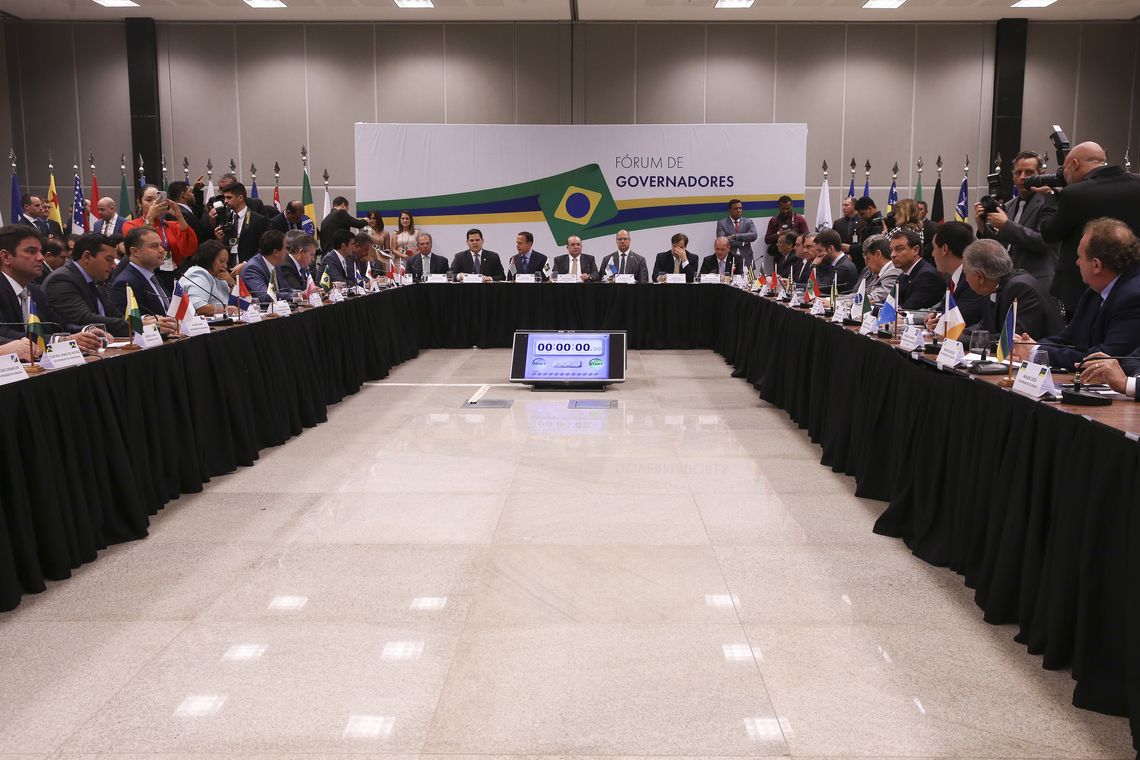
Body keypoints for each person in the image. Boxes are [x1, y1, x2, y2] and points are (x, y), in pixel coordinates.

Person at [1012, 218, 1140, 369]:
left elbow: (1106, 357)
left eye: (1080, 257)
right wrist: (1028, 345)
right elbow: (1069, 338)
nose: (1077, 263)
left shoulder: (1133, 298)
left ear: (1096, 265)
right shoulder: (1095, 291)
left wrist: (1035, 352)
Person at [1040, 141, 1140, 316]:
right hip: (1131, 285)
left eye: (1064, 169)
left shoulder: (1074, 194)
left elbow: (1049, 233)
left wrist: (1050, 199)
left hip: (1082, 290)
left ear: (1075, 164)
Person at [0, 225, 104, 352]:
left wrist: (87, 332)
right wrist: (59, 341)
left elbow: (58, 326)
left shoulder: (35, 291)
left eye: (40, 252)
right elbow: (3, 334)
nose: (41, 258)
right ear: (6, 257)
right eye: (31, 251)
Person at [974, 150, 1058, 293]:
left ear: (1041, 175)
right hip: (1009, 280)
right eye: (1018, 172)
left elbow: (1044, 242)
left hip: (1037, 281)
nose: (1022, 177)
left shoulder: (1050, 202)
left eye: (1029, 172)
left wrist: (1006, 225)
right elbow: (1002, 247)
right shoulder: (1010, 205)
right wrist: (982, 228)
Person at [959, 239, 1063, 339]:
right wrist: (957, 335)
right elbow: (985, 325)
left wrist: (963, 340)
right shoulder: (994, 285)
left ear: (980, 276)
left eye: (966, 273)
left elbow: (1013, 339)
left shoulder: (1021, 288)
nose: (966, 279)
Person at [43, 233, 133, 335]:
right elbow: (85, 319)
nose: (113, 266)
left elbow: (113, 313)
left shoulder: (94, 278)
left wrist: (139, 321)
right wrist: (136, 325)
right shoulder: (60, 280)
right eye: (108, 260)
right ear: (87, 256)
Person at [122, 184, 198, 281]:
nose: (154, 203)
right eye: (149, 200)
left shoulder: (170, 225)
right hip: (146, 275)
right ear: (140, 203)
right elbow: (140, 242)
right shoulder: (130, 225)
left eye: (158, 199)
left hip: (171, 274)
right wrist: (150, 217)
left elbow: (189, 248)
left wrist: (179, 215)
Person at [925, 221, 987, 327]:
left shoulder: (972, 280)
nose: (932, 254)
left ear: (944, 249)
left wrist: (940, 321)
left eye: (934, 248)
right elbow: (944, 310)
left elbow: (962, 318)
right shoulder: (954, 277)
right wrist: (936, 315)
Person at [110, 226, 177, 318]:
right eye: (154, 246)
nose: (162, 250)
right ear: (135, 252)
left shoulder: (154, 277)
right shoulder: (125, 283)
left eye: (161, 245)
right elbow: (127, 322)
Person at [179, 240, 240, 317]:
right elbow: (199, 308)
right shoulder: (198, 274)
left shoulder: (220, 276)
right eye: (221, 261)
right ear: (208, 258)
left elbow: (243, 305)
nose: (225, 266)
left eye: (226, 262)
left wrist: (232, 283)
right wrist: (226, 310)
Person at [211, 182, 267, 264]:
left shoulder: (258, 220)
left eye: (229, 198)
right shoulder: (224, 218)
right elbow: (222, 246)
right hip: (228, 267)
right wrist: (219, 240)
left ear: (240, 198)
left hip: (249, 268)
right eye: (225, 198)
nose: (225, 201)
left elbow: (263, 249)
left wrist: (245, 264)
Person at [889, 227, 943, 310]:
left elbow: (906, 310)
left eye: (899, 249)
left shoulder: (927, 276)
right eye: (891, 250)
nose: (893, 255)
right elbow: (890, 305)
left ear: (915, 250)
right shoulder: (903, 276)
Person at [762, 195, 808, 274]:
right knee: (778, 276)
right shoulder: (774, 220)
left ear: (792, 206)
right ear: (779, 208)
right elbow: (767, 239)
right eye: (783, 209)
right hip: (779, 254)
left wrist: (792, 235)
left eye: (788, 208)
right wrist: (778, 234)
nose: (785, 211)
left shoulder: (799, 219)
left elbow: (806, 236)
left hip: (796, 254)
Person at [241, 229, 288, 303]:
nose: (287, 252)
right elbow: (267, 296)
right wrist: (294, 295)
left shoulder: (275, 264)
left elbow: (286, 289)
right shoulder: (252, 268)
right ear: (275, 252)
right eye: (285, 248)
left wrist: (301, 293)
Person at [167, 181, 212, 252]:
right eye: (190, 192)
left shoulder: (184, 210)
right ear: (183, 195)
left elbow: (197, 212)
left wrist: (197, 190)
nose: (193, 194)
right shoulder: (181, 214)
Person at [716, 199, 759, 270]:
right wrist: (744, 242)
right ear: (729, 210)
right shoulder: (721, 223)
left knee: (749, 280)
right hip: (730, 258)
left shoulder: (748, 222)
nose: (739, 210)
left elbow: (754, 235)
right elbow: (723, 242)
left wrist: (735, 236)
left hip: (746, 258)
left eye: (740, 208)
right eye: (736, 208)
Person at [855, 235, 900, 305]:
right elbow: (860, 294)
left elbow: (875, 297)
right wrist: (838, 299)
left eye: (868, 258)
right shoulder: (877, 272)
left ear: (878, 254)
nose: (866, 263)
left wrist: (845, 302)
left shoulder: (893, 272)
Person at [811, 229, 858, 293]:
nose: (818, 255)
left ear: (831, 248)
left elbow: (819, 288)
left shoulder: (843, 268)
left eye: (820, 251)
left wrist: (815, 266)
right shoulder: (834, 264)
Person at [849, 196, 886, 270]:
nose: (861, 217)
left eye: (862, 214)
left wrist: (850, 248)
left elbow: (872, 244)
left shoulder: (877, 223)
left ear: (869, 209)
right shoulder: (870, 223)